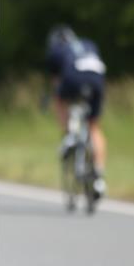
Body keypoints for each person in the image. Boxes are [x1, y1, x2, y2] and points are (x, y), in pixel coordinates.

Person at [46, 23, 107, 197]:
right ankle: (99, 176)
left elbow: (57, 81)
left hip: (73, 76)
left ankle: (69, 135)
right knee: (94, 126)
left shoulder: (56, 50)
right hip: (97, 78)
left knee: (59, 99)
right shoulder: (89, 43)